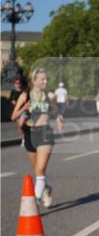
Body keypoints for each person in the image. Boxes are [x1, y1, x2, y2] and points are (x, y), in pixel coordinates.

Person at [11, 68, 64, 208]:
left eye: (46, 79)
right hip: (29, 134)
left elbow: (55, 110)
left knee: (40, 169)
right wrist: (24, 108)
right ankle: (46, 189)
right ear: (34, 81)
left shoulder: (50, 96)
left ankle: (34, 203)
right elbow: (13, 116)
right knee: (38, 170)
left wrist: (59, 120)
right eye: (42, 79)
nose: (45, 82)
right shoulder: (25, 96)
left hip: (45, 133)